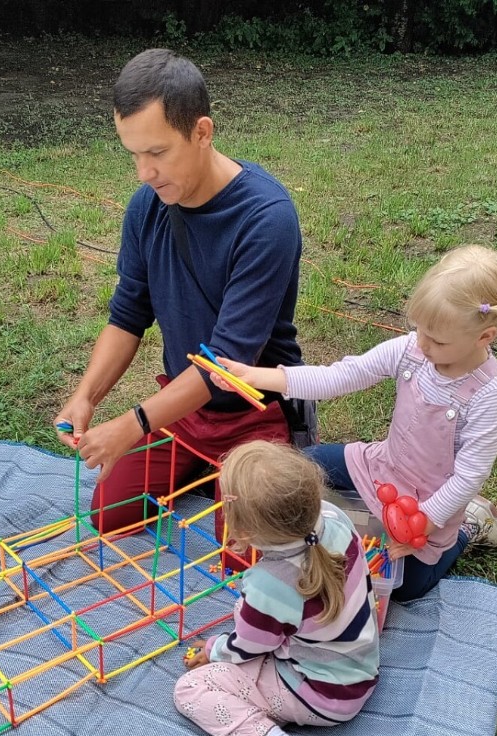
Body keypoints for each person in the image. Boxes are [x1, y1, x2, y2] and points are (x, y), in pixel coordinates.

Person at [53, 48, 304, 541]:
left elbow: (225, 364)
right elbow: (127, 316)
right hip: (183, 412)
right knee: (109, 515)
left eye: (158, 153)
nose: (143, 173)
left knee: (248, 555)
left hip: (254, 414)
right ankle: (203, 473)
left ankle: (243, 476)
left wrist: (132, 425)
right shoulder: (147, 207)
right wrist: (84, 397)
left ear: (202, 132)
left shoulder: (266, 219)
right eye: (134, 154)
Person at [213, 245, 497, 602]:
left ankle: (467, 528)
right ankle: (340, 517)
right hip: (382, 467)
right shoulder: (410, 349)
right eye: (420, 330)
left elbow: (469, 475)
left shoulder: (488, 393)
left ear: (484, 337)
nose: (424, 344)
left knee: (405, 586)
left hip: (429, 501)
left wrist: (426, 521)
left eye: (437, 340)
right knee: (303, 466)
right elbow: (338, 377)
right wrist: (256, 376)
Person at [174, 441, 380, 736]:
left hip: (321, 695)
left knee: (191, 689)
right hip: (358, 667)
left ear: (245, 530)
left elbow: (249, 647)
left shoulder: (269, 586)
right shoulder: (335, 519)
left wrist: (214, 648)